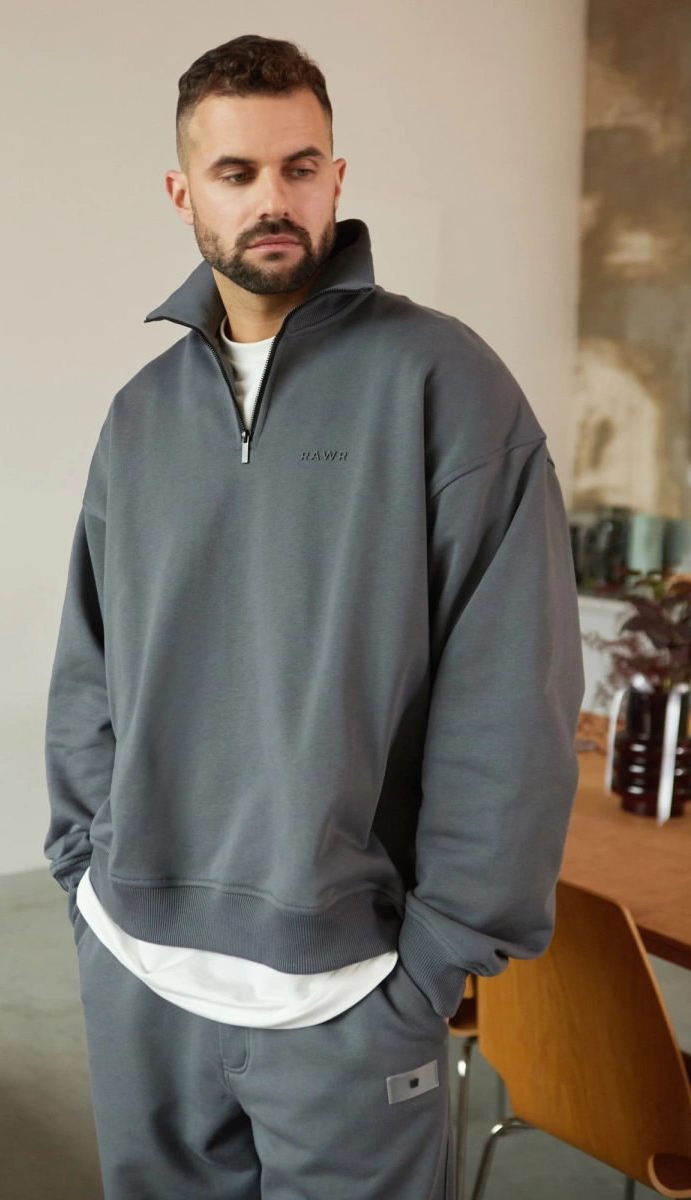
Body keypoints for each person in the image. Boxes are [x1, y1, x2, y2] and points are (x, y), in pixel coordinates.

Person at [43, 32, 585, 1200]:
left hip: (353, 995)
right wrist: (84, 876)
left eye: (300, 168)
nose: (272, 200)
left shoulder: (447, 386)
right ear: (184, 193)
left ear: (337, 177)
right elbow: (91, 669)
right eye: (236, 173)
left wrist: (436, 965)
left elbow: (515, 698)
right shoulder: (140, 417)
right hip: (139, 975)